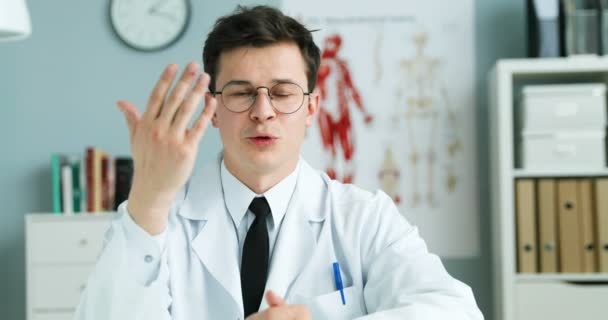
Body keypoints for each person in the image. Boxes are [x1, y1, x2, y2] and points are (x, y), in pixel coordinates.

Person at [74, 5, 483, 320]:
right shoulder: (159, 216)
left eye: (283, 92)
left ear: (311, 107)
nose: (263, 111)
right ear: (213, 110)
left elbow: (455, 311)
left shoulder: (363, 217)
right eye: (241, 92)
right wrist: (148, 197)